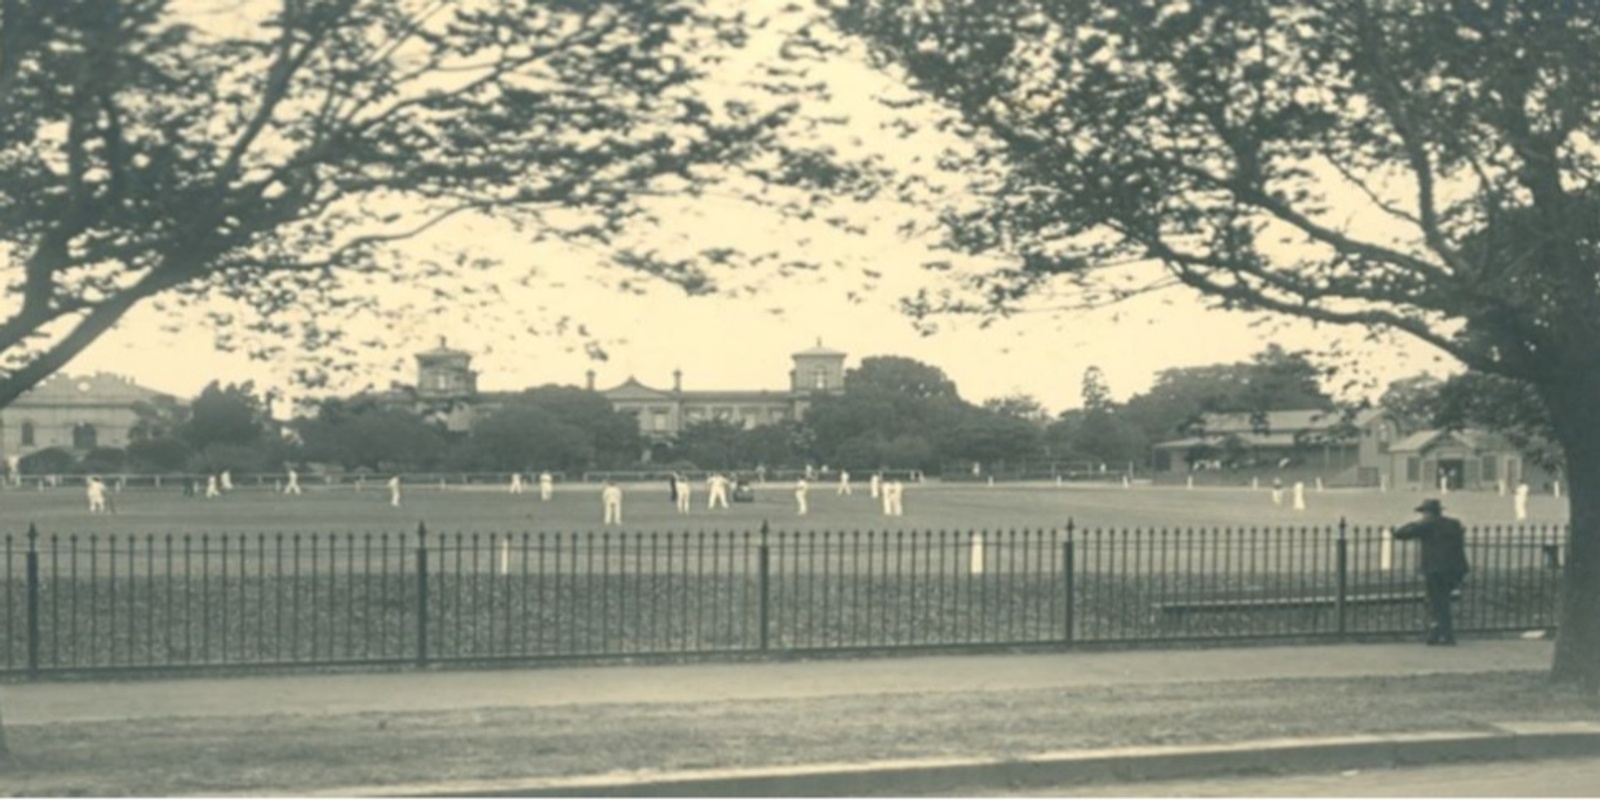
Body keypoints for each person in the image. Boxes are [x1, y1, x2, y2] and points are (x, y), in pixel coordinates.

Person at [1392, 498, 1470, 646]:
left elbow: (1401, 534)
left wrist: (1414, 524)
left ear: (1427, 513)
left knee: (1437, 601)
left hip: (1436, 569)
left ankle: (1446, 635)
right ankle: (1437, 632)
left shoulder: (1427, 525)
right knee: (1440, 601)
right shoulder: (1453, 524)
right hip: (1456, 568)